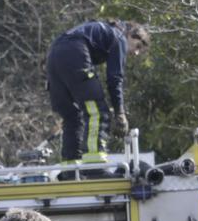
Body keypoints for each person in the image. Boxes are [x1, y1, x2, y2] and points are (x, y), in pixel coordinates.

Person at [45, 20, 149, 160]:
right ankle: (94, 163)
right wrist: (120, 113)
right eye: (138, 46)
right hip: (75, 51)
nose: (136, 53)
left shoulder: (100, 31)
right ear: (130, 34)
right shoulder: (119, 37)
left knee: (73, 117)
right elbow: (115, 78)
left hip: (53, 55)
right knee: (98, 112)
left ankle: (70, 168)